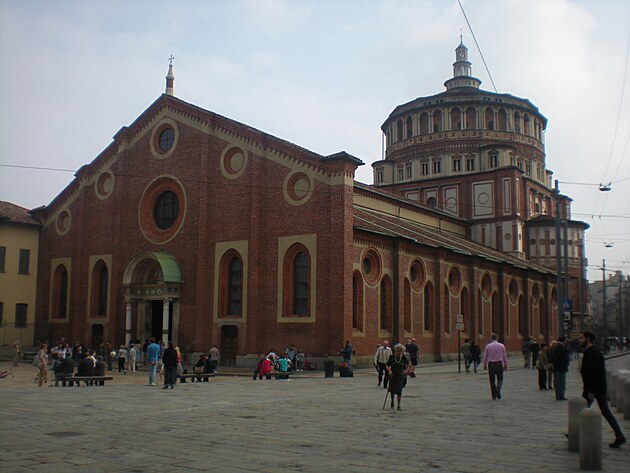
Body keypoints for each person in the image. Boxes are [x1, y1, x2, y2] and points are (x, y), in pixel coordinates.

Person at [579, 331, 627, 448]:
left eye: (581, 338)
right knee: (601, 411)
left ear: (588, 339)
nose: (579, 340)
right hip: (598, 387)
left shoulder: (590, 353)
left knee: (582, 410)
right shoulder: (596, 352)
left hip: (594, 388)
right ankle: (620, 435)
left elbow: (590, 373)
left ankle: (620, 436)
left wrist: (590, 390)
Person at [482, 334, 508, 400]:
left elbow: (485, 356)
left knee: (492, 380)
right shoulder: (501, 346)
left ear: (491, 338)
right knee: (500, 379)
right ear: (497, 338)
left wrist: (484, 364)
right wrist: (505, 364)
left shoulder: (488, 346)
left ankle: (494, 395)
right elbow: (504, 355)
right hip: (499, 363)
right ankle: (498, 389)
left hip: (491, 364)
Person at [386, 343, 411, 410]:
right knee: (392, 390)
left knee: (399, 390)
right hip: (393, 376)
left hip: (400, 376)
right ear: (395, 351)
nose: (399, 352)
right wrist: (389, 371)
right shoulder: (392, 357)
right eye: (398, 351)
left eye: (400, 351)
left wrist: (406, 370)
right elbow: (387, 365)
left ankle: (399, 405)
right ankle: (392, 403)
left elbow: (409, 363)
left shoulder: (403, 357)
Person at [551, 336, 570, 400]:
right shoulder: (560, 347)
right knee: (561, 382)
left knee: (559, 382)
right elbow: (559, 357)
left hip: (559, 367)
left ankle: (559, 395)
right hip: (561, 367)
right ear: (564, 340)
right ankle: (560, 395)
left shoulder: (558, 346)